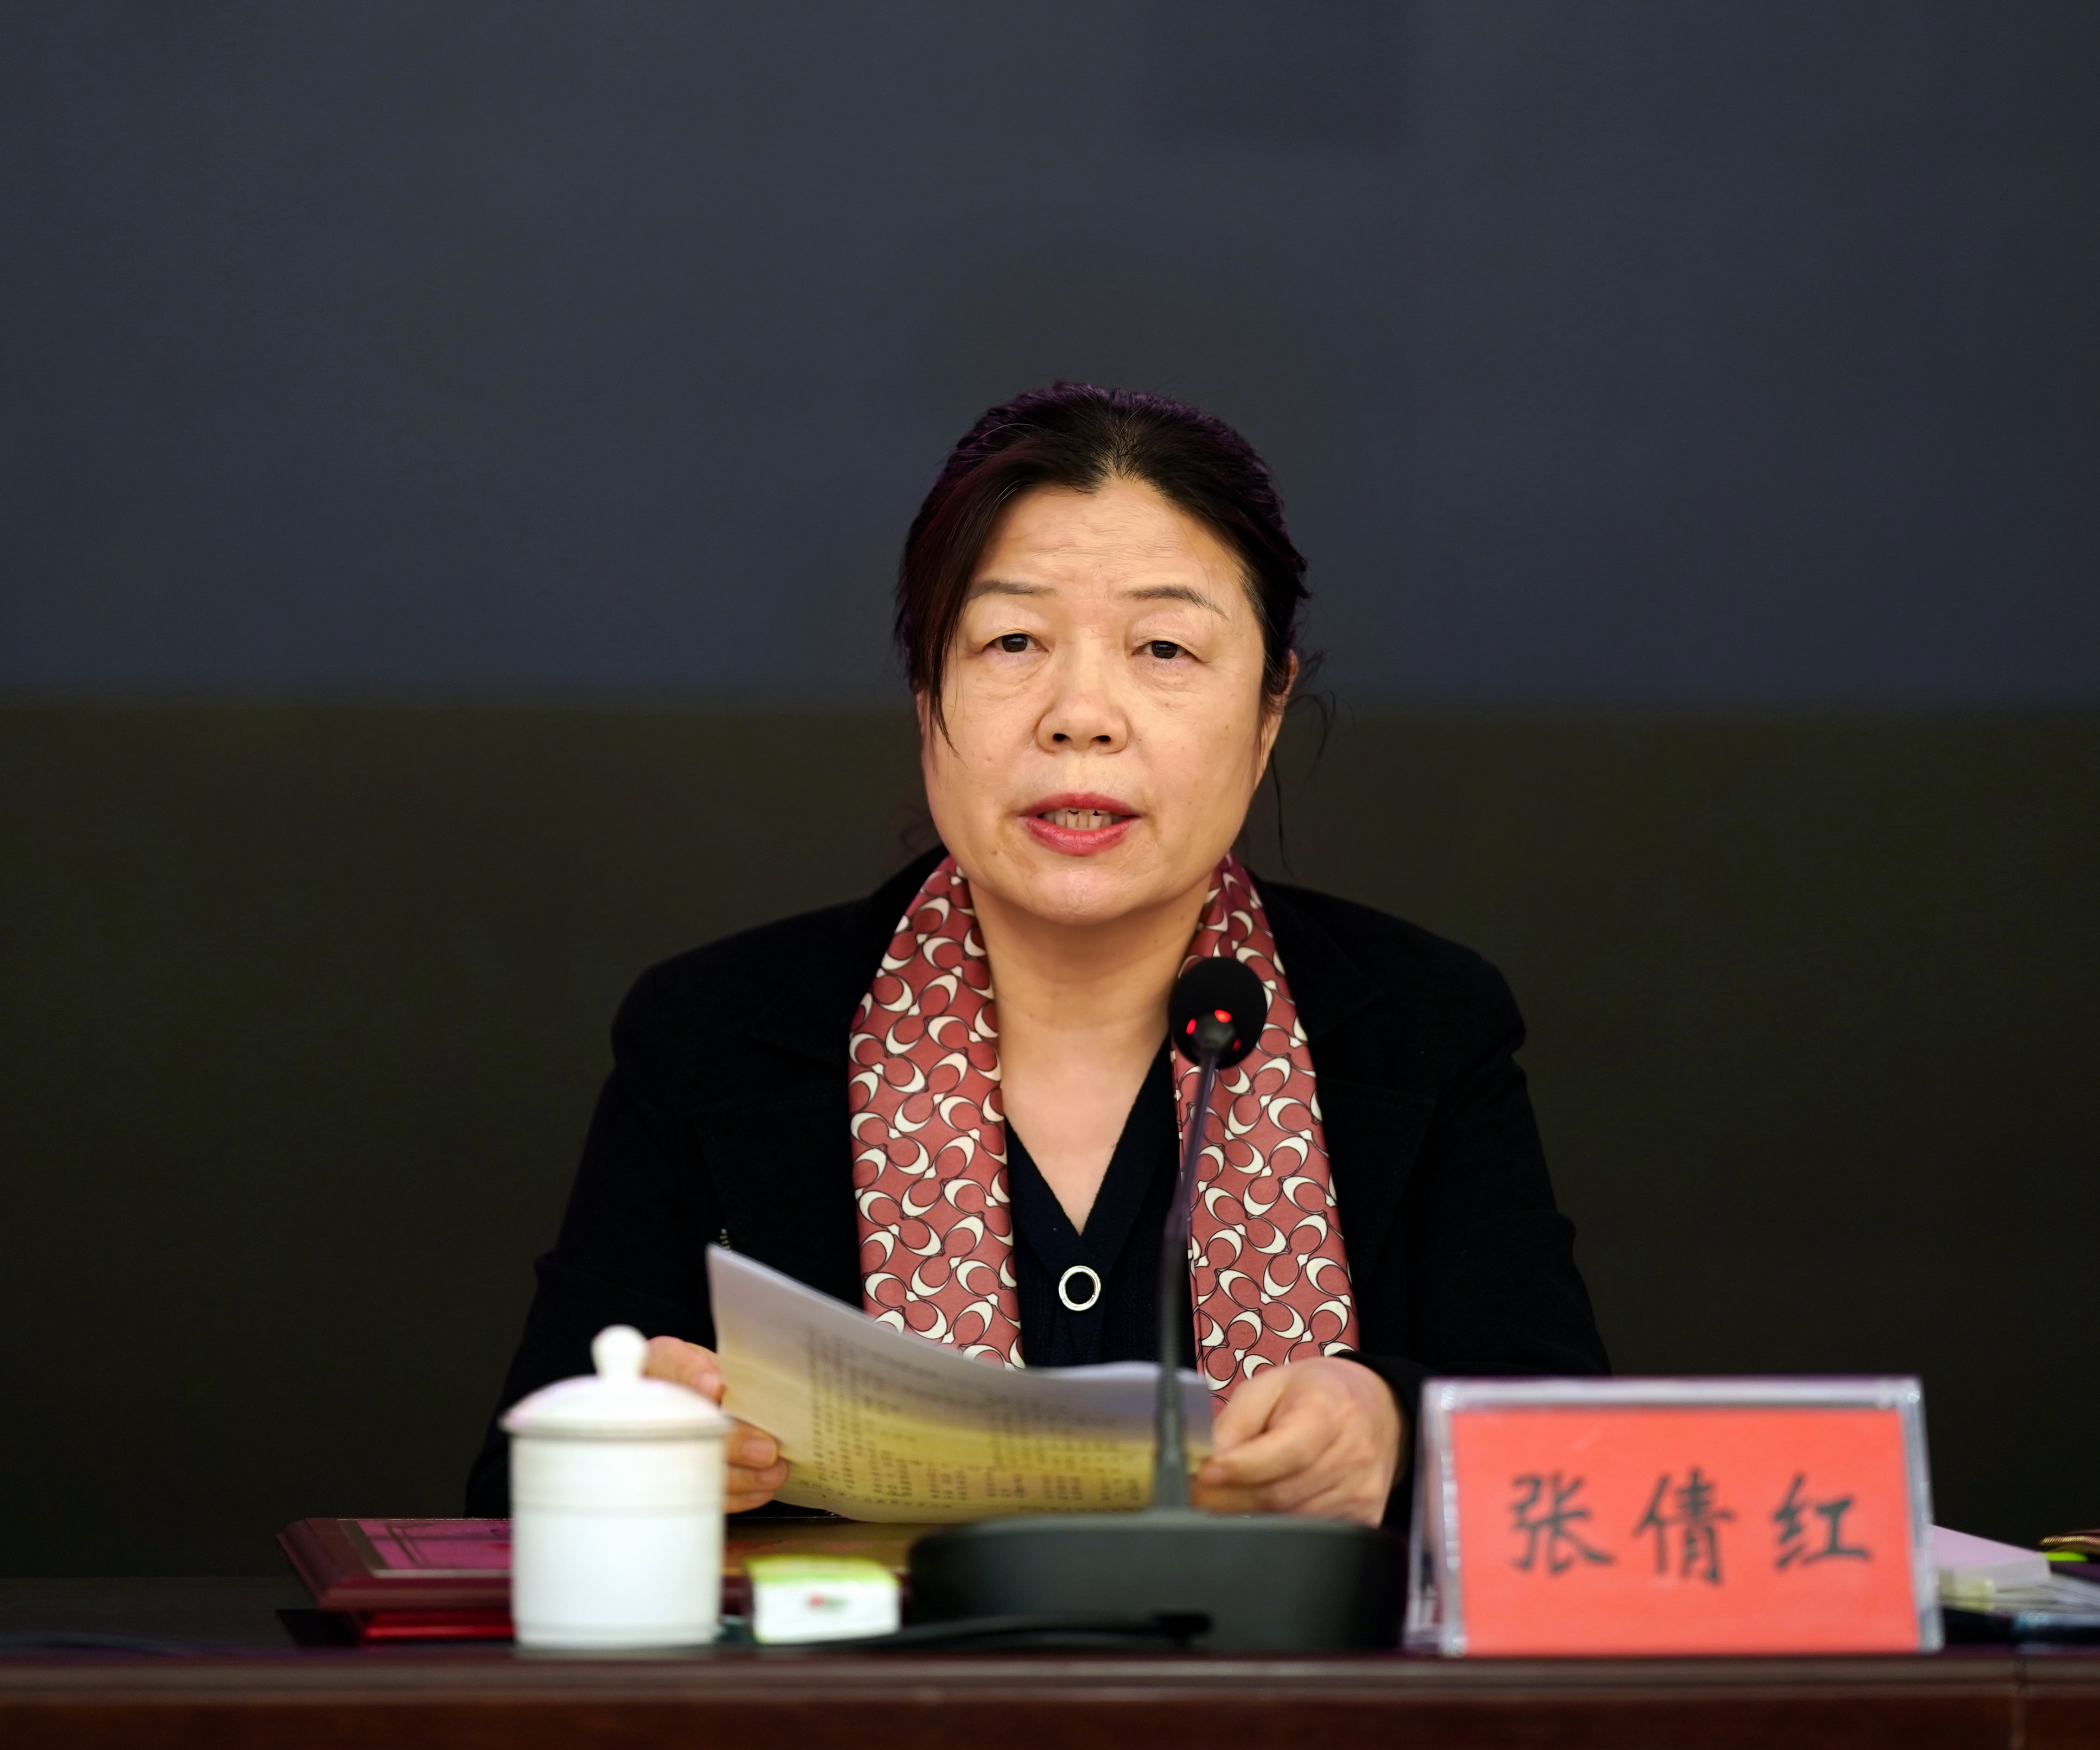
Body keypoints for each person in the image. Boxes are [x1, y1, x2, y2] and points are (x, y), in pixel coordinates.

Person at [467, 383, 1605, 1530]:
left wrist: (1397, 1426)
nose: (1081, 714)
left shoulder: (1422, 1027)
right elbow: (504, 1510)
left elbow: (1583, 1481)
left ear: (1269, 712)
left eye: (1164, 647)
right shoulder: (711, 1037)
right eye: (1013, 641)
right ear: (928, 690)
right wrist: (623, 1448)